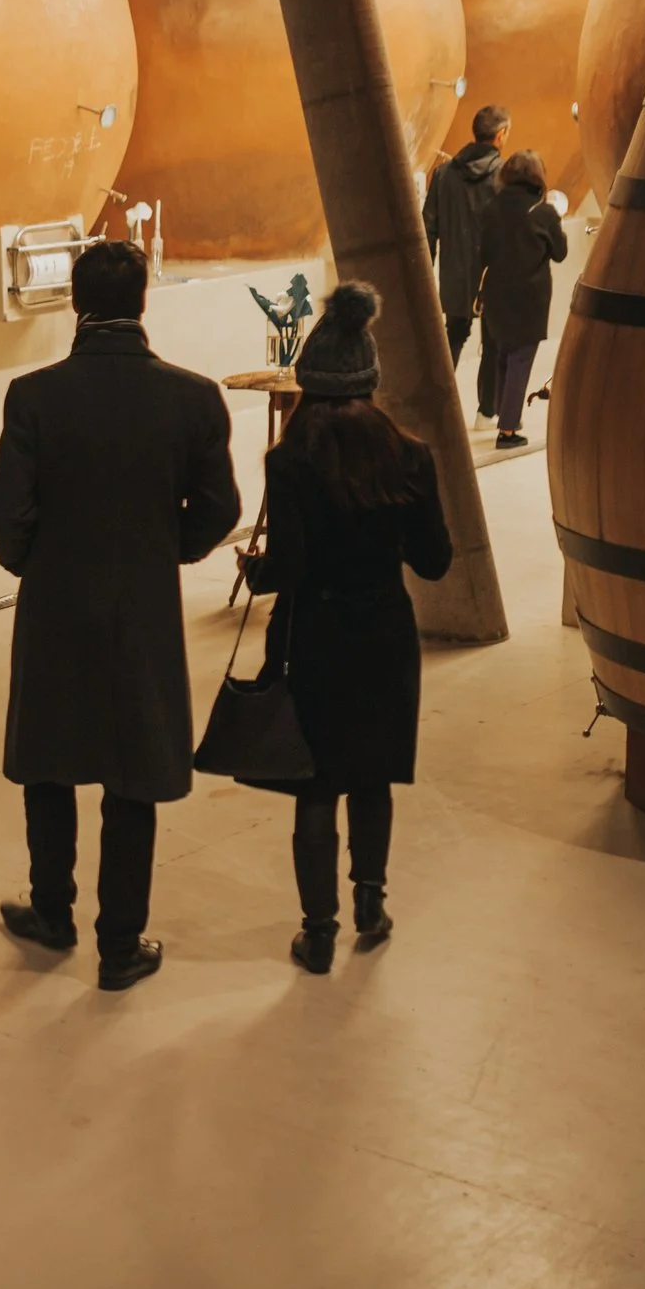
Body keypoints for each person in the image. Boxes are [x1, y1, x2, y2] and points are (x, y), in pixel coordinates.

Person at [0, 240, 239, 992]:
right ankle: (120, 944)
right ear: (143, 301)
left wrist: (34, 562)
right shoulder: (192, 397)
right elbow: (220, 508)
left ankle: (52, 913)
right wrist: (167, 550)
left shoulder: (34, 396)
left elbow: (7, 512)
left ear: (76, 303)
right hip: (144, 609)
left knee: (51, 764)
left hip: (56, 605)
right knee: (131, 776)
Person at [242, 282, 453, 974]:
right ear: (370, 379)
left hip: (315, 638)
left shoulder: (291, 460)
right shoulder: (410, 455)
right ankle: (371, 901)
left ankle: (319, 929)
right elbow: (435, 559)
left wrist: (259, 572)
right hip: (386, 636)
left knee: (315, 783)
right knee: (373, 774)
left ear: (309, 383)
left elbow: (293, 565)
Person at [475, 148, 570, 450]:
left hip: (496, 295)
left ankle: (509, 417)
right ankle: (506, 430)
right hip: (529, 298)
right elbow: (560, 253)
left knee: (504, 355)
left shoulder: (490, 208)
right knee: (520, 360)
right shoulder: (543, 213)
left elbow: (484, 253)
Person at [422, 104, 509, 418]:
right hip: (494, 274)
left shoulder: (444, 175)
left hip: (455, 274)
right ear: (500, 135)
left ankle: (436, 408)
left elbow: (427, 228)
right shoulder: (505, 175)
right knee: (495, 341)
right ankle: (487, 412)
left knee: (453, 336)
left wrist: (427, 275)